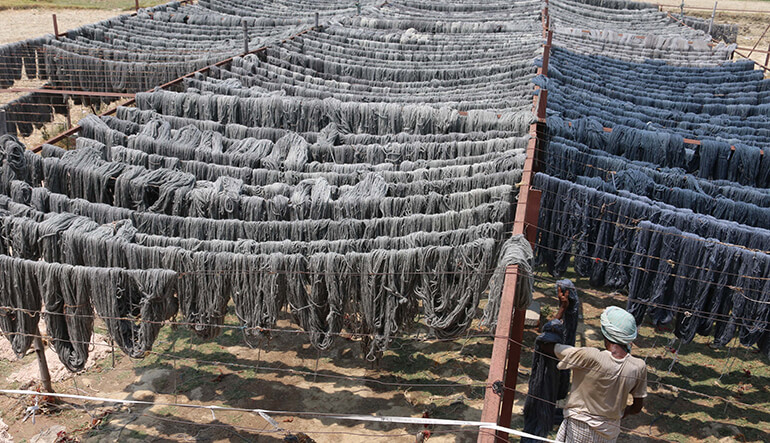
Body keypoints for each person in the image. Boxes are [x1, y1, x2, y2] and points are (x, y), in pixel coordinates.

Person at [542, 292, 647, 443]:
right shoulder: (638, 366)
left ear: (605, 334)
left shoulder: (590, 357)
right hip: (610, 432)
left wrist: (562, 309)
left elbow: (546, 344)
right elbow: (637, 407)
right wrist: (621, 412)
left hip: (578, 428)